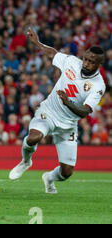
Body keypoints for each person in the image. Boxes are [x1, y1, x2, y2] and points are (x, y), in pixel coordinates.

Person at [9, 28, 106, 194]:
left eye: (91, 62)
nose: (86, 64)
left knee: (66, 172)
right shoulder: (72, 62)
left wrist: (67, 102)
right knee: (34, 137)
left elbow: (84, 111)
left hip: (68, 125)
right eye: (86, 59)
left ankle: (49, 178)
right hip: (49, 112)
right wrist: (37, 43)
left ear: (98, 64)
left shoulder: (98, 85)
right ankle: (26, 161)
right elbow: (53, 53)